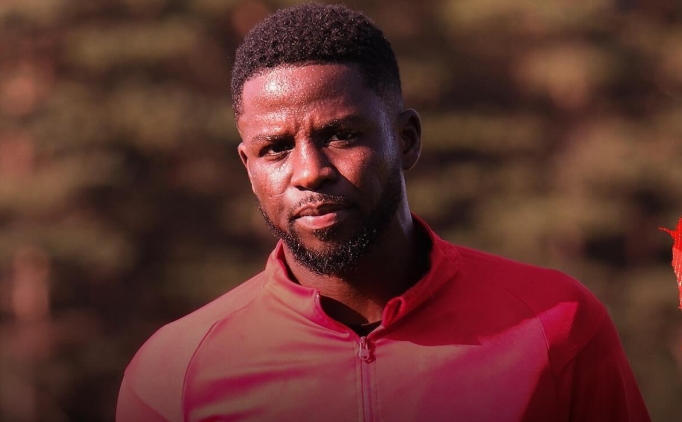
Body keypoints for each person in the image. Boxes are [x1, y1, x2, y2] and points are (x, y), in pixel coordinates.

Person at [116, 3, 651, 421]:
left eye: (341, 135)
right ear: (247, 165)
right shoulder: (173, 374)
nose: (309, 172)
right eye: (275, 148)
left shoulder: (557, 326)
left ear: (406, 140)